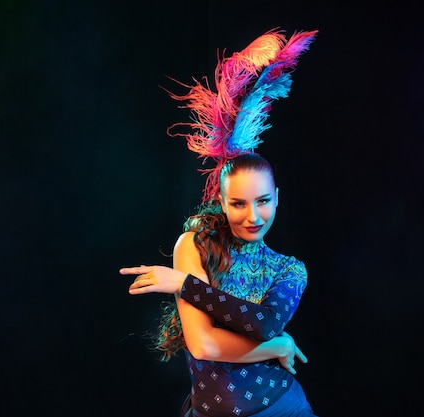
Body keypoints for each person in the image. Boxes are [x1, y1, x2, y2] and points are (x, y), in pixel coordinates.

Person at [119, 28, 318, 417]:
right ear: (222, 202)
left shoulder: (289, 270)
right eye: (239, 203)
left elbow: (264, 323)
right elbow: (204, 346)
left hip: (283, 408)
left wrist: (184, 285)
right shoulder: (192, 246)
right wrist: (278, 346)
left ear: (277, 198)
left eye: (263, 201)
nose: (253, 215)